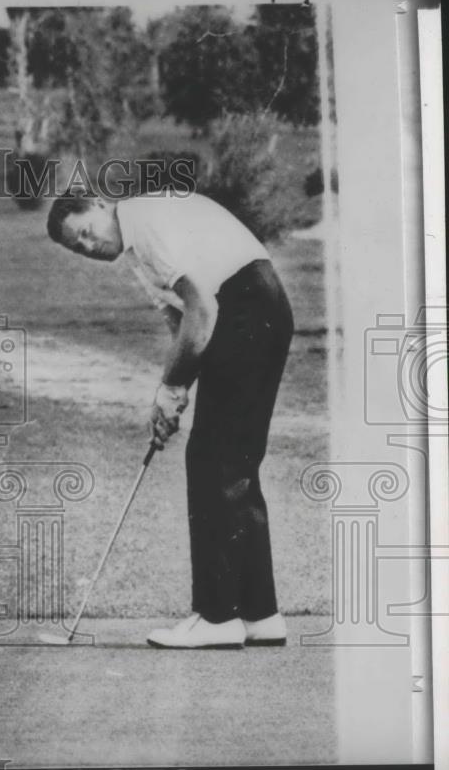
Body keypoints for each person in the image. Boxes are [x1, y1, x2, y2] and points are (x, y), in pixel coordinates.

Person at [46, 189, 293, 649]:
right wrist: (173, 395)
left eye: (85, 231)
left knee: (212, 462)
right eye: (77, 247)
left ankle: (218, 616)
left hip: (243, 310)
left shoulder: (147, 227)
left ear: (99, 205)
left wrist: (172, 390)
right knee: (234, 463)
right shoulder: (142, 245)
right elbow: (182, 326)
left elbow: (203, 309)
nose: (89, 246)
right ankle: (260, 613)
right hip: (259, 309)